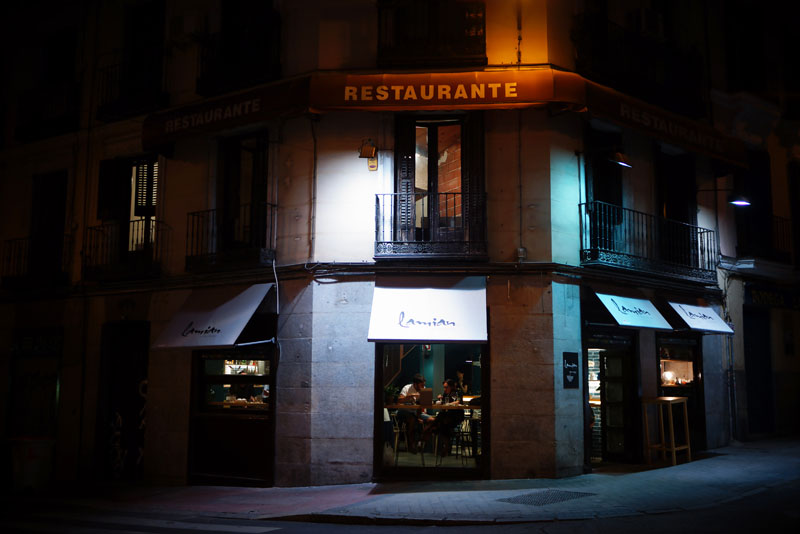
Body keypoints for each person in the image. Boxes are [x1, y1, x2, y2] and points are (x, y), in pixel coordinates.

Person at [421, 379, 464, 457]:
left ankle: (429, 429)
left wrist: (448, 404)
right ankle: (446, 447)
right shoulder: (445, 394)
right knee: (442, 424)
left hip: (456, 416)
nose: (444, 389)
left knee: (441, 420)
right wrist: (440, 400)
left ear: (451, 387)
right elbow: (443, 403)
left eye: (446, 387)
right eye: (444, 387)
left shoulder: (457, 392)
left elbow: (458, 402)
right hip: (447, 416)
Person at [396, 373, 432, 453]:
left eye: (424, 385)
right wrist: (409, 397)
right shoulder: (407, 388)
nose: (423, 387)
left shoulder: (424, 389)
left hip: (418, 412)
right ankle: (411, 444)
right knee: (412, 419)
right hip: (404, 412)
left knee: (432, 420)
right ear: (415, 384)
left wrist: (427, 399)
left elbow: (425, 405)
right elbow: (399, 400)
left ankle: (421, 440)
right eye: (421, 385)